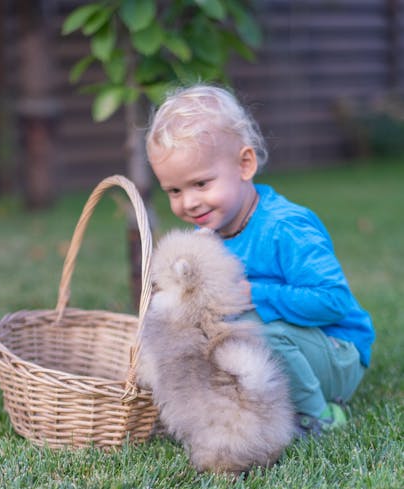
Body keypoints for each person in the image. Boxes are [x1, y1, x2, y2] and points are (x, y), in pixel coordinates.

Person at [145, 83, 375, 437]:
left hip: (335, 351)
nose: (188, 203)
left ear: (245, 164)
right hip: (283, 344)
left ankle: (318, 416)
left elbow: (334, 302)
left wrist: (257, 294)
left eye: (201, 184)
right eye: (175, 191)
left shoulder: (286, 227)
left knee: (260, 333)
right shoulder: (208, 235)